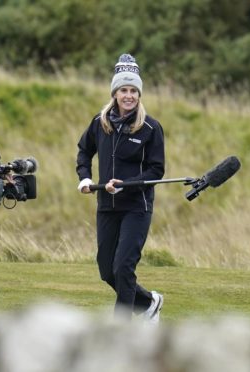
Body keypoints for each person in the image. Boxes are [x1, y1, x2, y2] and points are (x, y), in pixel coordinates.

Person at [76, 54, 165, 322]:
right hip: (106, 205)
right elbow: (84, 152)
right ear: (114, 93)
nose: (129, 96)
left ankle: (120, 330)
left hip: (137, 207)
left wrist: (125, 186)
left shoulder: (150, 127)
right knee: (107, 270)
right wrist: (85, 178)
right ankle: (149, 302)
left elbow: (156, 170)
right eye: (123, 90)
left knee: (123, 267)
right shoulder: (98, 123)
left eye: (133, 91)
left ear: (139, 94)